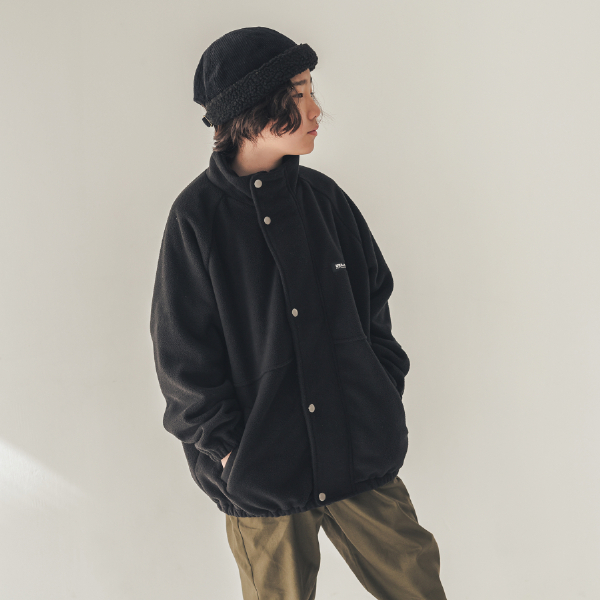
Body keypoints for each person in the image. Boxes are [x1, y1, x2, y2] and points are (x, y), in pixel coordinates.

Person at [150, 26, 447, 600]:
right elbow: (182, 357)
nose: (316, 110)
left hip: (359, 455)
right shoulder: (197, 218)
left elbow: (375, 306)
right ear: (251, 108)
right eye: (299, 94)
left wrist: (379, 393)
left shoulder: (324, 200)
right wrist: (231, 451)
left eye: (312, 92)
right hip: (265, 478)